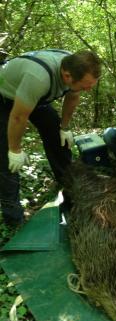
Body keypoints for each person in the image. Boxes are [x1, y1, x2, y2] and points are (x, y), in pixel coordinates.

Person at [0, 49, 101, 226]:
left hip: (34, 97)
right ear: (68, 76)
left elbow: (72, 97)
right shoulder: (39, 78)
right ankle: (14, 220)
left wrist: (64, 127)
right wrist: (15, 149)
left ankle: (70, 187)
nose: (89, 89)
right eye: (86, 85)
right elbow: (18, 117)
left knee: (58, 138)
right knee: (5, 157)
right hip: (4, 96)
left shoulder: (74, 67)